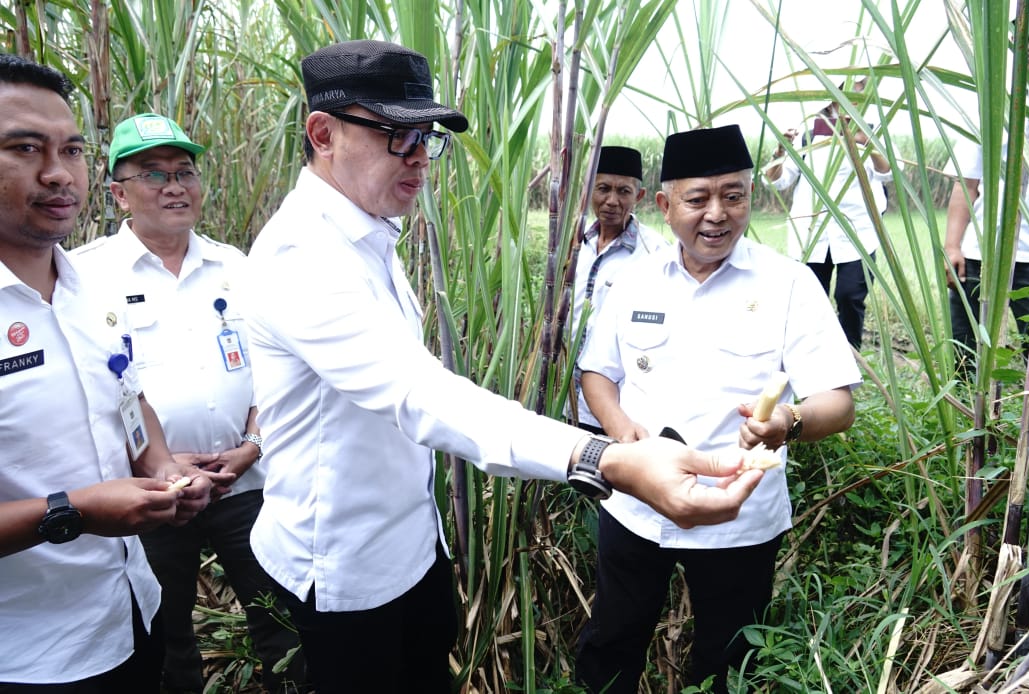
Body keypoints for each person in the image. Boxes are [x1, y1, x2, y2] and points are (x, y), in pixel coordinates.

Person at [240, 40, 765, 694]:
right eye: (396, 137)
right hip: (346, 571)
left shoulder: (368, 231)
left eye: (425, 139)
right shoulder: (304, 257)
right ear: (323, 133)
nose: (418, 160)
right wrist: (606, 459)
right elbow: (422, 394)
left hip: (411, 546)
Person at [575, 125, 860, 693]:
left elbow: (838, 401)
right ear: (663, 204)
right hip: (635, 507)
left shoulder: (789, 284)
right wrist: (618, 428)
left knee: (728, 661)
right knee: (612, 641)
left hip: (739, 517)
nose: (717, 215)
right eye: (698, 198)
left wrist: (787, 423)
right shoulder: (634, 282)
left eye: (733, 196)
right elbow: (596, 374)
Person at [0, 54, 215, 691]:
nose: (57, 173)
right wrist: (76, 511)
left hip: (128, 611)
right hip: (30, 654)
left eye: (71, 149)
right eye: (24, 148)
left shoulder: (90, 289)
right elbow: (81, 509)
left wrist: (162, 467)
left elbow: (126, 396)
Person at [71, 114, 306, 693]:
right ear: (117, 193)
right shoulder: (83, 274)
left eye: (185, 172)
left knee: (283, 626)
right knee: (163, 635)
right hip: (147, 494)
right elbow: (92, 387)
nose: (175, 186)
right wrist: (163, 464)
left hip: (246, 486)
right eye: (153, 174)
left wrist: (252, 447)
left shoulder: (236, 266)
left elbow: (278, 370)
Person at [765, 78, 896, 350]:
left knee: (850, 296)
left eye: (862, 87)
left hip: (857, 232)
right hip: (811, 233)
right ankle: (812, 354)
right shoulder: (808, 132)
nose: (857, 93)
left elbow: (889, 174)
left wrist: (866, 142)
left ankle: (850, 356)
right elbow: (777, 181)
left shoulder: (873, 128)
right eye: (851, 87)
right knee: (811, 299)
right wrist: (780, 151)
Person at [943, 7, 1029, 367]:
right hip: (982, 252)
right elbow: (966, 183)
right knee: (968, 351)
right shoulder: (992, 105)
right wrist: (953, 245)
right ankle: (973, 413)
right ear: (1014, 41)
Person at [570, 145, 669, 433]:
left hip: (619, 411)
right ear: (588, 191)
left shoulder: (654, 254)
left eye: (624, 191)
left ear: (639, 196)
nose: (612, 200)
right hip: (562, 399)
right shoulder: (570, 243)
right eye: (603, 188)